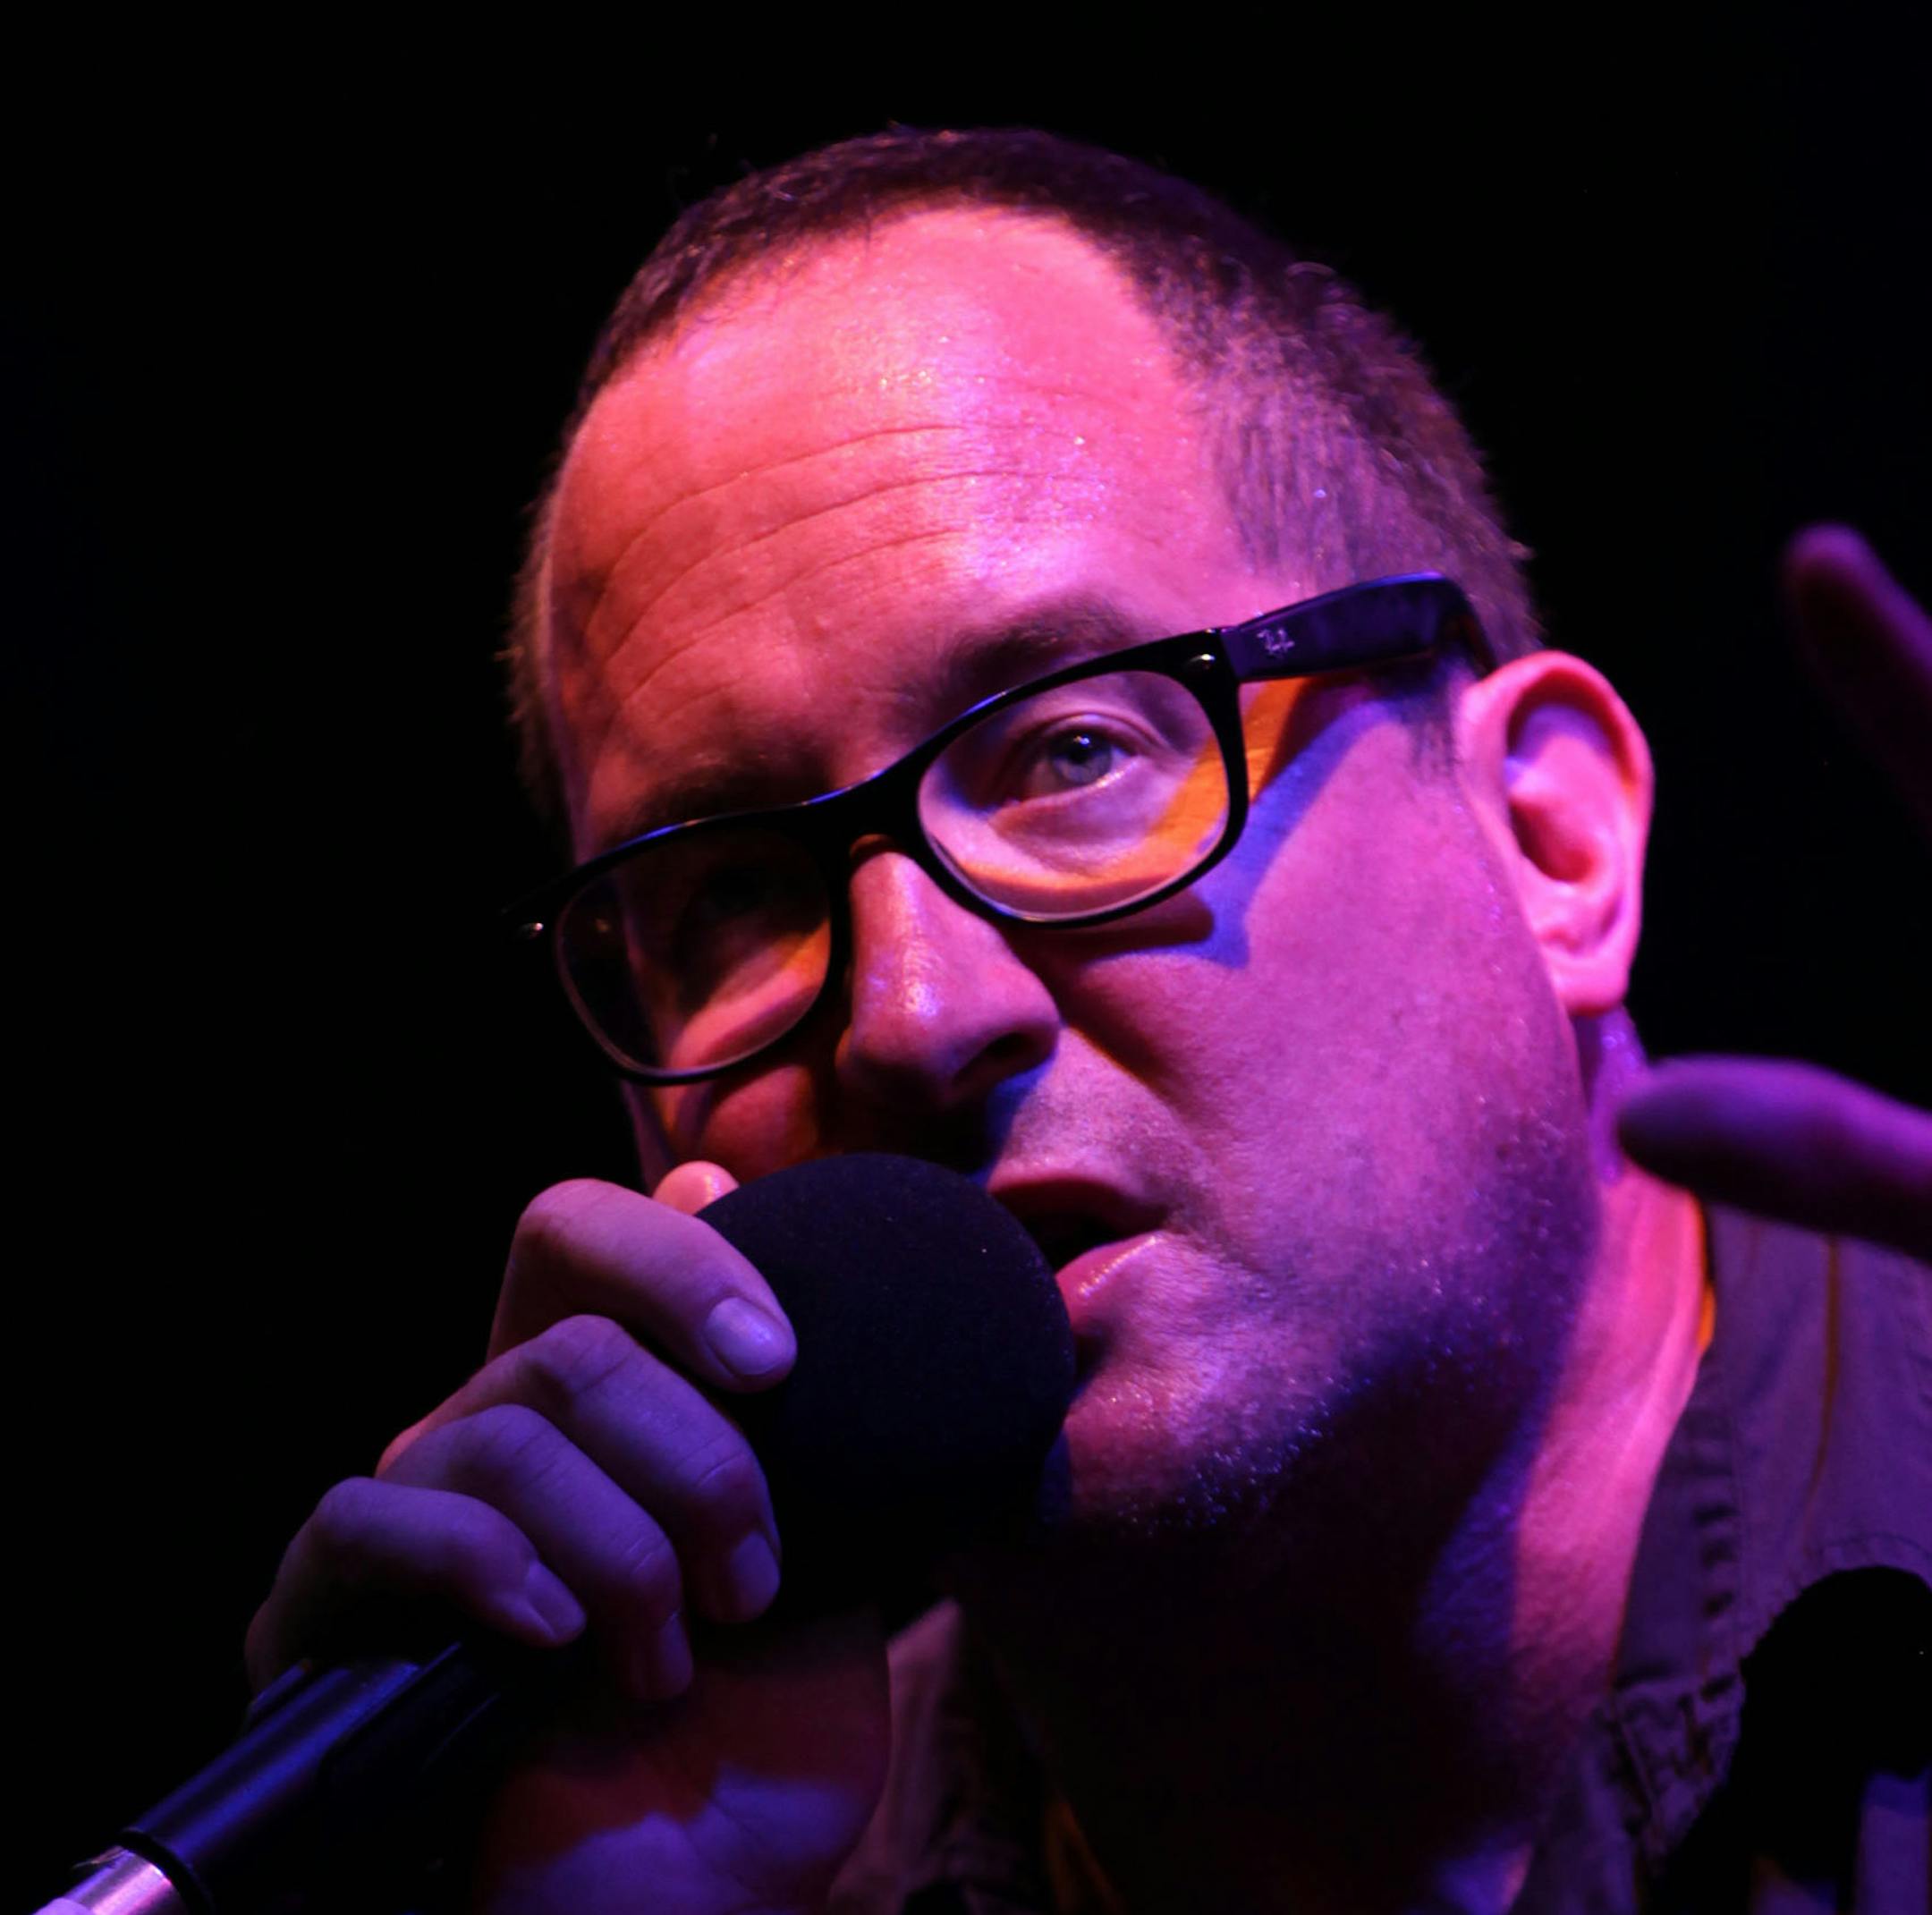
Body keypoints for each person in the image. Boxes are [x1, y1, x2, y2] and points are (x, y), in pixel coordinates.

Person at [246, 129, 1931, 1913]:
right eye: (733, 894)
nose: (909, 1016)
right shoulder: (735, 1866)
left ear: (1553, 839)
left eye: (1072, 753)